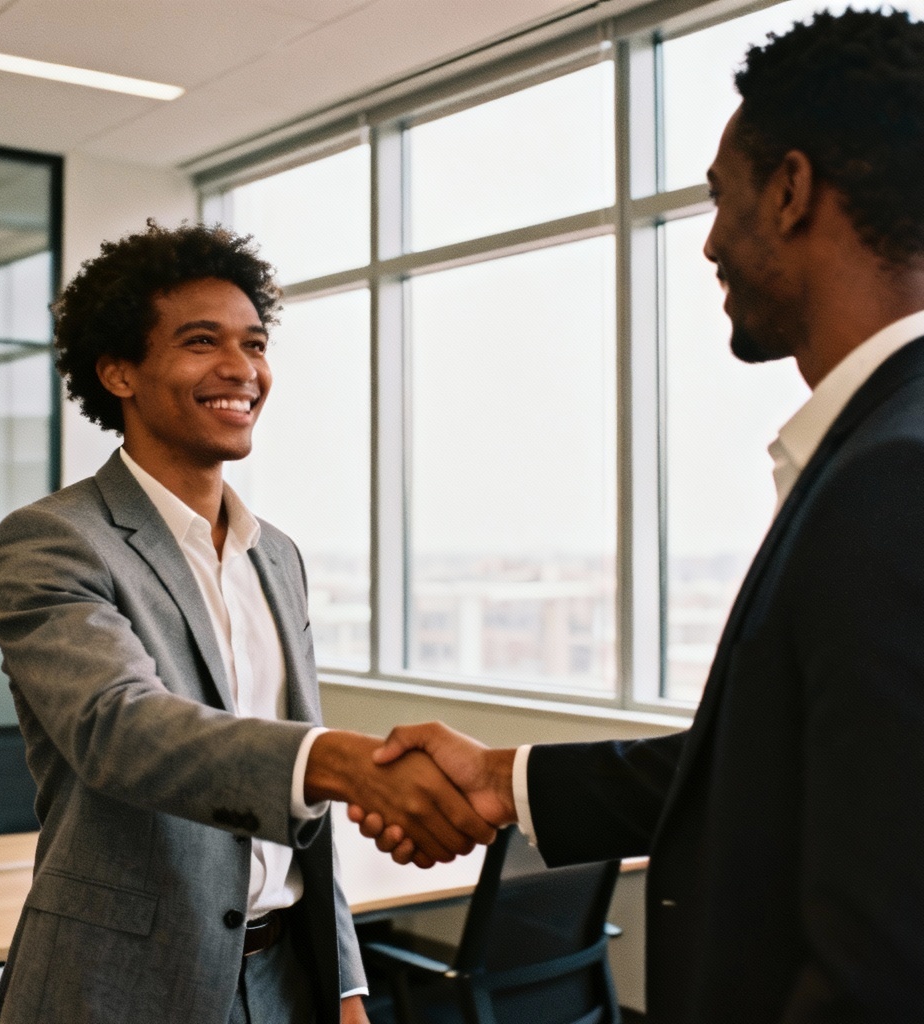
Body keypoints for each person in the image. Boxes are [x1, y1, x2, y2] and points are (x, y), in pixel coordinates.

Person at [356, 9, 924, 1022]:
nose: (708, 242)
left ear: (790, 191)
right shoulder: (879, 449)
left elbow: (885, 962)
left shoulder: (893, 477)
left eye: (720, 198)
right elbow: (784, 765)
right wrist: (499, 776)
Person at [0, 220, 494, 1024]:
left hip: (287, 980)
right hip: (122, 987)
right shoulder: (54, 540)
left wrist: (347, 986)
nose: (241, 370)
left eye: (254, 344)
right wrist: (341, 761)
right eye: (200, 342)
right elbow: (121, 730)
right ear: (118, 371)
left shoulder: (275, 555)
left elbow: (300, 823)